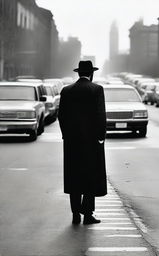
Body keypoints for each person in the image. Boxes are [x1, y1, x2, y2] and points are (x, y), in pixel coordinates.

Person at [58, 60, 107, 225]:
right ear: (91, 73)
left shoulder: (66, 91)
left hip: (72, 143)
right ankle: (87, 214)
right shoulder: (97, 90)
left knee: (74, 177)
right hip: (91, 143)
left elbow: (61, 116)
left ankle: (75, 215)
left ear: (78, 73)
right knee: (90, 177)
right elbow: (100, 115)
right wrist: (101, 137)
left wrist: (66, 136)